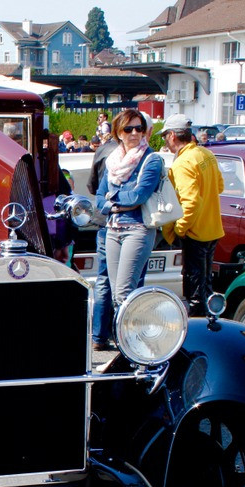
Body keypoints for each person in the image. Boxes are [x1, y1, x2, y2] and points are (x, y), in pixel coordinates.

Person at [95, 109, 163, 309]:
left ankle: (130, 338)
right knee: (116, 293)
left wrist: (111, 200)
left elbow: (138, 195)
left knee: (125, 294)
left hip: (137, 228)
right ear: (118, 132)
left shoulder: (151, 159)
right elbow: (99, 198)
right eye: (128, 128)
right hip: (112, 229)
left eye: (139, 128)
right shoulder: (113, 161)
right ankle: (122, 338)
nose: (134, 133)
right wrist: (115, 203)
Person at [159, 113, 225, 316]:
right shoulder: (205, 154)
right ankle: (210, 323)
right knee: (206, 286)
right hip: (212, 228)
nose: (166, 142)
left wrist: (180, 228)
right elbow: (220, 186)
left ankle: (197, 329)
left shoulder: (183, 162)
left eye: (165, 137)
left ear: (172, 136)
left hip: (195, 233)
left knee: (194, 288)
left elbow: (191, 202)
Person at [87, 128, 118, 351]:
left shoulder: (104, 150)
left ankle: (98, 336)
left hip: (103, 220)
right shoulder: (145, 155)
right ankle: (122, 335)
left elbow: (92, 185)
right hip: (125, 221)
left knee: (104, 278)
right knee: (130, 282)